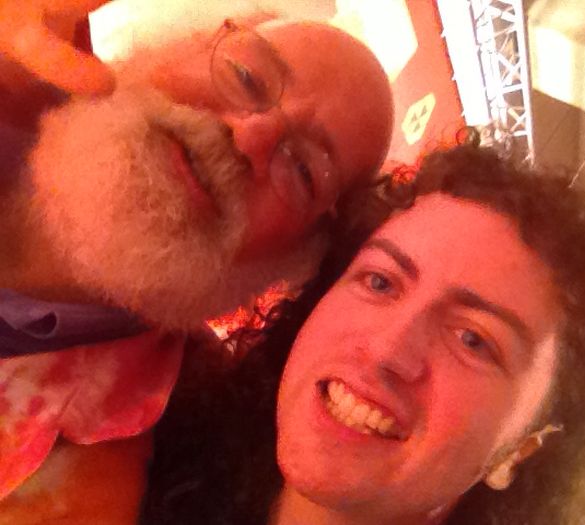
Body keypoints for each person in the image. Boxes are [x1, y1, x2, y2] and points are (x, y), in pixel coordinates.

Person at [141, 141, 585, 525]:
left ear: (520, 450)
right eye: (380, 281)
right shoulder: (137, 439)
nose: (387, 349)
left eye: (473, 339)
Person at [0, 0, 393, 500]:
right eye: (247, 77)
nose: (250, 135)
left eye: (304, 172)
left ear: (293, 264)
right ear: (182, 46)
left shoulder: (152, 463)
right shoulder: (15, 51)